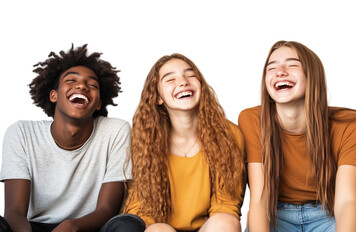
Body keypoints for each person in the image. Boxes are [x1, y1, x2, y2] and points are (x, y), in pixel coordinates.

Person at [101, 53, 246, 232]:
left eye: (190, 75)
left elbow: (226, 204)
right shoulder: (145, 141)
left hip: (208, 228)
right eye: (170, 79)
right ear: (158, 97)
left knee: (226, 221)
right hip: (162, 229)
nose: (183, 81)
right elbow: (142, 211)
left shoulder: (227, 134)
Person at [0, 44, 131, 232]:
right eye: (71, 81)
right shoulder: (21, 133)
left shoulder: (116, 131)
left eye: (92, 84)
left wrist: (72, 226)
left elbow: (107, 209)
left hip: (89, 227)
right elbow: (14, 212)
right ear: (53, 95)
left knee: (125, 225)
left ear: (98, 103)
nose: (82, 86)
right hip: (33, 228)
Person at [238, 40, 356, 231]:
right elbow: (260, 201)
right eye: (272, 68)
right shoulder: (252, 119)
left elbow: (347, 201)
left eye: (292, 64)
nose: (280, 71)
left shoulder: (351, 124)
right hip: (276, 216)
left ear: (313, 76)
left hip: (328, 214)